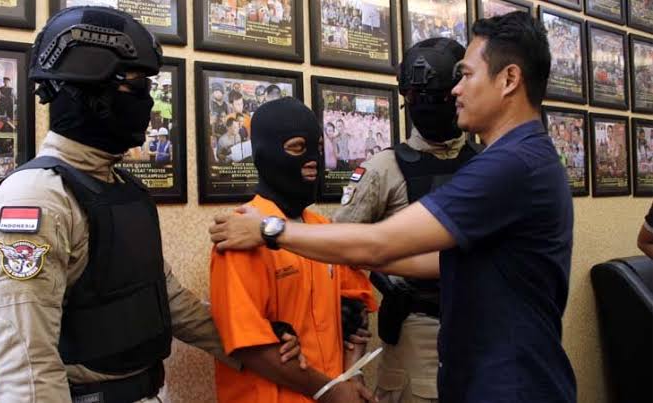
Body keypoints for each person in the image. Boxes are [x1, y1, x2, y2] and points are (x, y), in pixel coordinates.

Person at [209, 11, 578, 403]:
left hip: (508, 383)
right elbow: (441, 260)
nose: (456, 90)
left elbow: (378, 244)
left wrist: (270, 231)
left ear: (509, 79)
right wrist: (352, 264)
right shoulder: (523, 159)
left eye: (467, 75)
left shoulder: (509, 165)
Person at [0, 7, 302, 402]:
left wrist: (254, 340)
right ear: (89, 91)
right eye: (135, 86)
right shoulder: (36, 202)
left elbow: (167, 301)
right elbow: (26, 367)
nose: (147, 101)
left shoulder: (122, 188)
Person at [333, 37, 479, 403]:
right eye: (415, 96)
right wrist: (351, 353)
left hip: (482, 327)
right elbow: (339, 250)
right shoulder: (383, 168)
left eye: (435, 96)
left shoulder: (487, 163)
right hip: (418, 331)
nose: (425, 105)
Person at [210, 97, 377, 403]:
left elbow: (356, 309)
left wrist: (352, 376)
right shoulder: (239, 235)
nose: (312, 160)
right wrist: (332, 392)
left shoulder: (323, 230)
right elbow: (249, 346)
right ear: (265, 154)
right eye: (298, 148)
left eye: (318, 148)